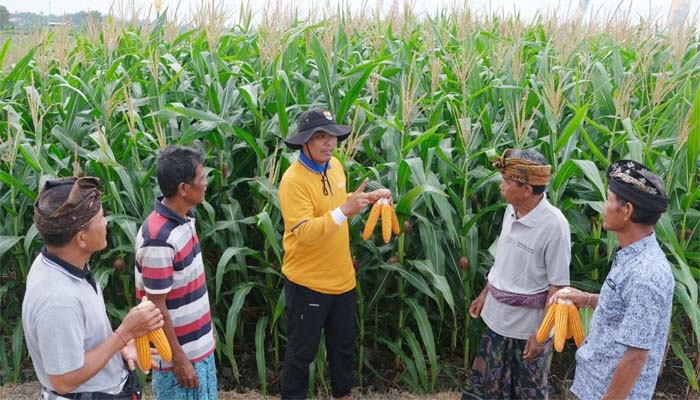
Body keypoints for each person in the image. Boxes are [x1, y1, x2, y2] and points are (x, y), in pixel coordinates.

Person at [279, 109, 391, 400]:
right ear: (304, 141)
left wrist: (366, 199)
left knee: (343, 349)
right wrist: (345, 210)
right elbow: (304, 230)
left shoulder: (335, 166)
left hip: (342, 280)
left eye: (331, 136)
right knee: (301, 354)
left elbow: (336, 206)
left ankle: (343, 395)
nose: (328, 143)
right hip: (308, 283)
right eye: (320, 137)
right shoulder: (294, 181)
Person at [23, 176, 164, 400]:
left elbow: (79, 341)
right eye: (100, 218)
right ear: (81, 238)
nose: (106, 222)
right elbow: (64, 380)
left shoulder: (61, 263)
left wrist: (118, 348)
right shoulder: (58, 299)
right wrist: (124, 333)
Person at [551, 160, 673, 400]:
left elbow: (636, 355)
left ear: (626, 210)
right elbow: (626, 309)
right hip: (590, 384)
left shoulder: (646, 274)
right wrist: (586, 298)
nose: (603, 206)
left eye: (608, 199)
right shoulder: (631, 255)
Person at [461, 148, 571, 399]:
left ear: (527, 189)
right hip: (496, 320)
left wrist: (541, 335)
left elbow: (558, 287)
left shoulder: (555, 225)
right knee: (491, 386)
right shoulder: (510, 210)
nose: (502, 186)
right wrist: (484, 294)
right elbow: (503, 261)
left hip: (527, 330)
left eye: (507, 182)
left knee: (525, 391)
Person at [134, 146, 217, 399]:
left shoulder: (185, 219)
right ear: (183, 189)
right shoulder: (159, 240)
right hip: (177, 363)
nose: (206, 184)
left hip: (199, 352)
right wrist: (179, 360)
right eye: (202, 178)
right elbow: (156, 306)